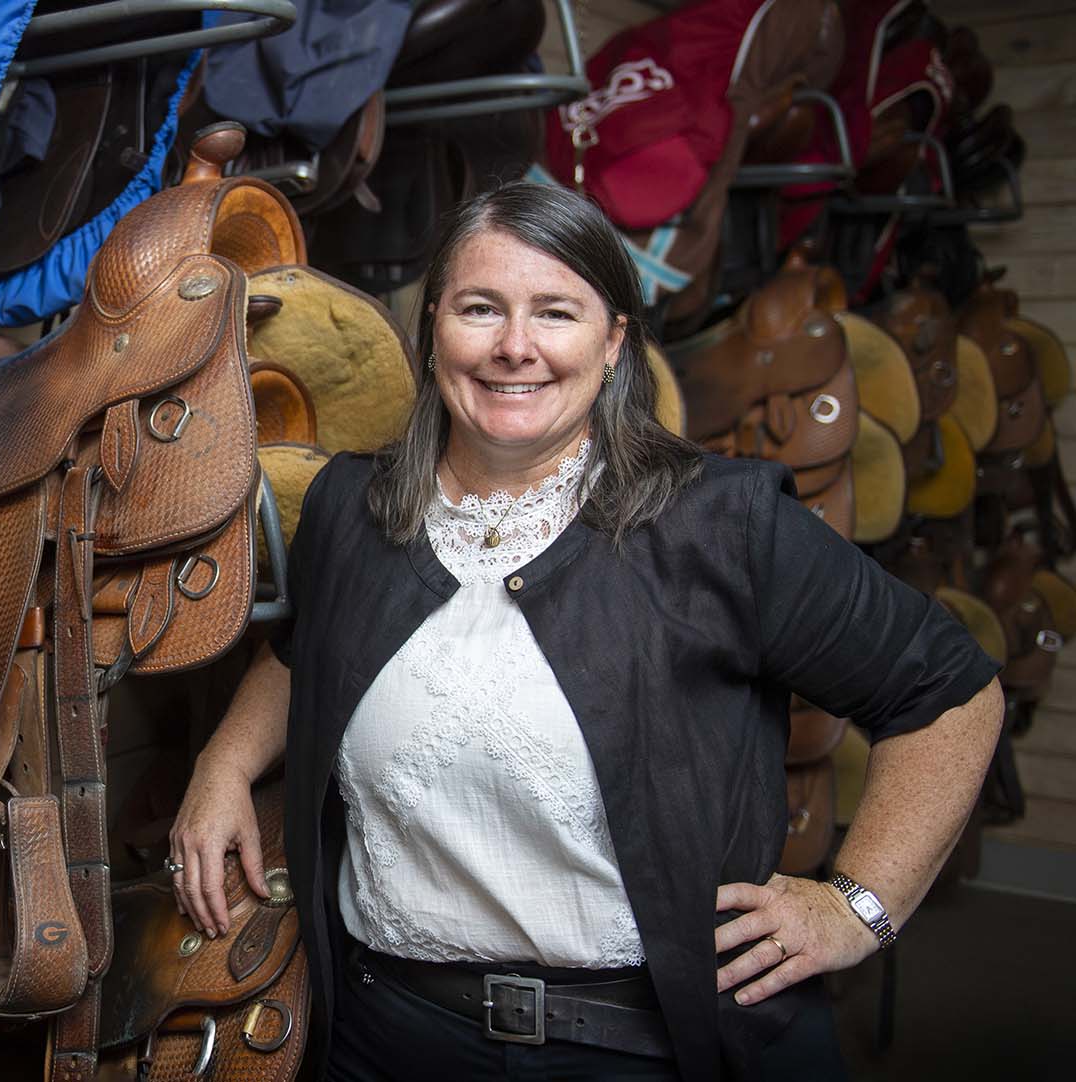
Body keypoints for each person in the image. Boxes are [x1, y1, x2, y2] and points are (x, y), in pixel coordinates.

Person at [167, 182, 1003, 1081]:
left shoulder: (722, 524)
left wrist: (858, 906)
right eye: (480, 308)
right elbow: (306, 651)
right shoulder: (351, 507)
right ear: (433, 328)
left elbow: (947, 694)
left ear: (612, 344)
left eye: (556, 312)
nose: (514, 346)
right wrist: (224, 764)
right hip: (381, 1036)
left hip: (639, 1051)